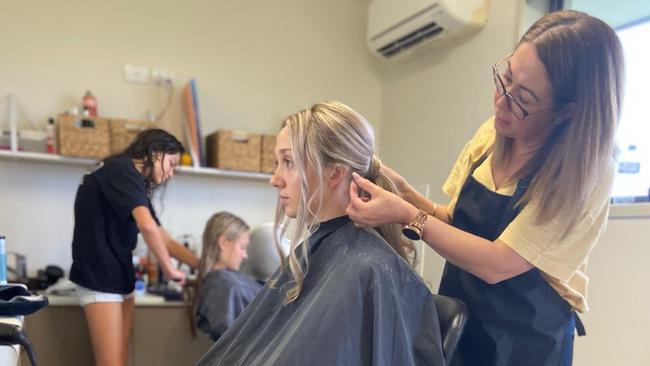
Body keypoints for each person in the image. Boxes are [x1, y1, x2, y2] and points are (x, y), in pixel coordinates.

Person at [346, 10, 624, 366]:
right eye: (504, 77)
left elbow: (499, 262)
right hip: (462, 317)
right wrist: (404, 193)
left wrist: (405, 214)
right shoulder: (492, 134)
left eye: (523, 97)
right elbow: (453, 220)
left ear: (566, 112)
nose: (501, 99)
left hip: (527, 340)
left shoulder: (587, 173)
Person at [197, 101, 445, 366]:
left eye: (288, 162)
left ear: (335, 173)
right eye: (277, 162)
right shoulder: (329, 251)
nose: (275, 178)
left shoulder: (368, 268)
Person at [69, 128, 199, 366]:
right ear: (154, 152)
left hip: (119, 277)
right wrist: (169, 270)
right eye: (171, 164)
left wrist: (203, 265)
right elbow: (147, 227)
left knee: (121, 360)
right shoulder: (121, 170)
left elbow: (164, 239)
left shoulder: (131, 181)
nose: (171, 173)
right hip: (100, 278)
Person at [193, 211, 261, 341]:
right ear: (223, 243)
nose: (245, 255)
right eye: (242, 247)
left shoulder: (220, 282)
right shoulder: (229, 288)